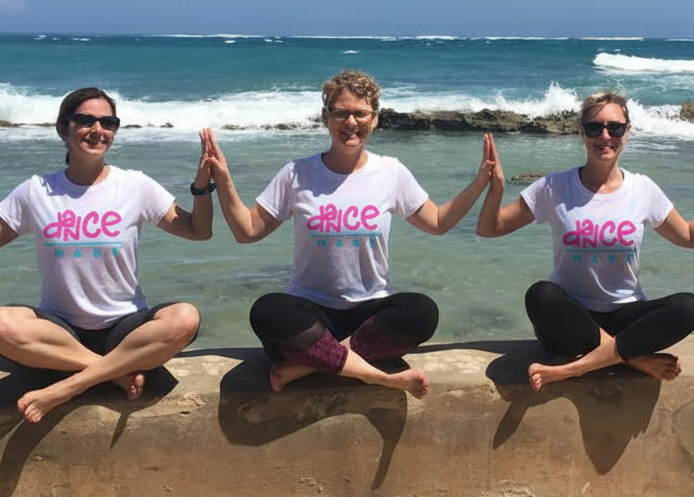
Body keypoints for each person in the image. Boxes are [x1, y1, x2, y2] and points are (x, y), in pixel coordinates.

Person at [0, 87, 213, 423]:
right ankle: (109, 372)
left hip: (125, 328)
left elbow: (198, 230)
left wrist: (203, 187)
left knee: (185, 317)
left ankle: (69, 384)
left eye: (108, 122)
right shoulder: (37, 190)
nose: (98, 129)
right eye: (85, 120)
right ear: (63, 128)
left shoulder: (135, 185)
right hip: (61, 333)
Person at [205, 70, 493, 398]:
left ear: (375, 119)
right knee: (267, 311)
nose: (351, 122)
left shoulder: (391, 172)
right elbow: (248, 230)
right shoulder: (297, 173)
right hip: (311, 316)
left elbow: (438, 222)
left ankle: (312, 364)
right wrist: (224, 180)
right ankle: (376, 375)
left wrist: (478, 184)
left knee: (421, 311)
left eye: (360, 113)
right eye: (341, 113)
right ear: (326, 118)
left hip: (369, 316)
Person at [476, 91, 694, 391]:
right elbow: (491, 227)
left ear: (627, 131)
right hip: (571, 318)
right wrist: (496, 188)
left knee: (689, 307)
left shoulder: (642, 188)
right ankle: (630, 358)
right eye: (594, 127)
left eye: (615, 127)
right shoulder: (556, 186)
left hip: (626, 316)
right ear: (582, 132)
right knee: (540, 295)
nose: (604, 136)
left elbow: (689, 236)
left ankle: (577, 367)